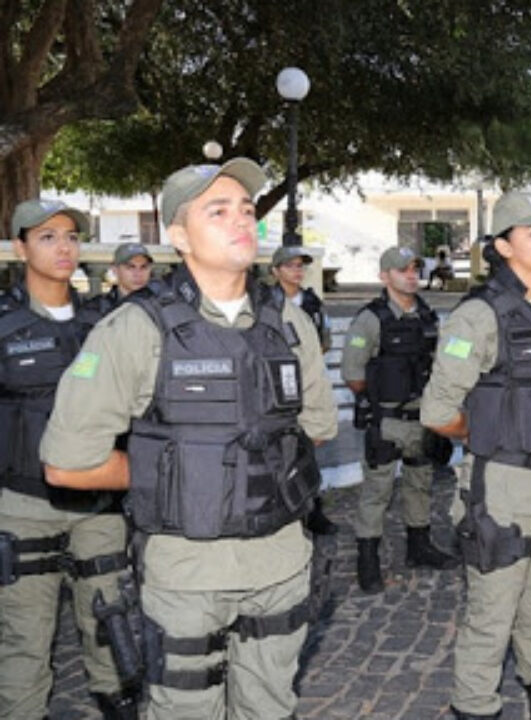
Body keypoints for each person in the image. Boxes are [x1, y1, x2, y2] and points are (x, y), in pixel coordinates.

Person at [40, 158, 338, 720]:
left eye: (247, 210)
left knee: (271, 707)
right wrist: (167, 471)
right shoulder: (135, 328)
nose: (241, 221)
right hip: (185, 575)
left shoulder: (288, 322)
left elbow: (317, 430)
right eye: (218, 210)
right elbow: (66, 464)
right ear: (178, 236)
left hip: (280, 564)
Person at [422, 191, 531, 720]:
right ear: (502, 246)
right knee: (493, 614)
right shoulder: (477, 317)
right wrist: (487, 433)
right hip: (504, 484)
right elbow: (438, 411)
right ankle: (474, 708)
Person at [0, 200, 133, 719]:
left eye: (71, 237)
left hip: (97, 505)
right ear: (20, 247)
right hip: (21, 505)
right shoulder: (4, 325)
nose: (63, 247)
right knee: (24, 639)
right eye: (48, 236)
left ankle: (116, 702)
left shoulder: (108, 324)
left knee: (112, 626)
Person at [342, 246, 459, 593]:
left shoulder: (427, 316)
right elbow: (353, 373)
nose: (411, 275)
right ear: (384, 276)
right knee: (377, 490)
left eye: (414, 268)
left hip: (422, 417)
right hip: (388, 420)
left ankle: (419, 547)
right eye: (402, 270)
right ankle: (367, 560)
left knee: (419, 482)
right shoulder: (370, 319)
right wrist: (382, 401)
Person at [271, 244, 339, 535]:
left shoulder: (312, 303)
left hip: (309, 382)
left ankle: (313, 510)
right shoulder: (267, 305)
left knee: (308, 456)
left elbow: (325, 339)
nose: (296, 271)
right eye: (290, 266)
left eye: (300, 266)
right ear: (275, 271)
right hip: (279, 388)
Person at [87, 242, 155, 315]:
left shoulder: (160, 305)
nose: (138, 274)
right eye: (130, 267)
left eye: (143, 267)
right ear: (115, 269)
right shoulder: (98, 308)